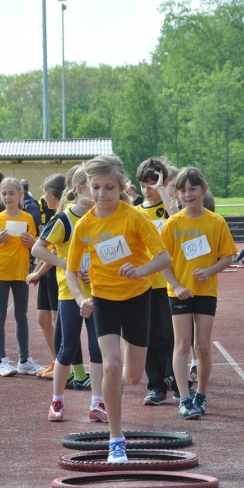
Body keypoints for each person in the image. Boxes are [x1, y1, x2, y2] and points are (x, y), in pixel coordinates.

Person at [66, 154, 171, 464]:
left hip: (138, 297)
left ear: (121, 187)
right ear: (85, 188)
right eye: (96, 188)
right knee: (111, 366)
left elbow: (163, 258)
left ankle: (115, 388)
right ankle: (116, 439)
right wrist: (80, 298)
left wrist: (140, 271)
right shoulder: (85, 225)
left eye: (109, 188)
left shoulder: (133, 217)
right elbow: (72, 270)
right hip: (104, 300)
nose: (102, 195)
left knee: (133, 376)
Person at [161, 166, 237, 420]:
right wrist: (177, 286)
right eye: (182, 190)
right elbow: (162, 261)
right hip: (179, 292)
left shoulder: (216, 222)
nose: (188, 194)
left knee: (202, 346)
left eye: (193, 189)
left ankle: (201, 394)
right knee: (182, 344)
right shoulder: (172, 224)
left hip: (206, 291)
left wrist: (210, 270)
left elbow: (228, 256)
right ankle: (184, 397)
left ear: (203, 190)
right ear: (177, 195)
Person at [30, 167, 105, 422]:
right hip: (69, 294)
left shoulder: (102, 217)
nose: (98, 193)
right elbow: (38, 250)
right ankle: (57, 401)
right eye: (93, 186)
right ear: (79, 188)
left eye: (102, 187)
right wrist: (67, 265)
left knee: (97, 349)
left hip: (98, 293)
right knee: (68, 348)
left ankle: (97, 402)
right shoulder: (63, 220)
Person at [0, 177, 44, 377]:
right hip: (0, 272)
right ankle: (1, 361)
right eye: (4, 193)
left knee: (21, 316)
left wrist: (32, 241)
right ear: (0, 196)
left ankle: (24, 360)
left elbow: (36, 246)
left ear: (20, 194)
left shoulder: (27, 218)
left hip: (20, 272)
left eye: (12, 193)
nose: (8, 197)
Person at [135, 157, 179, 405]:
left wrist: (163, 189)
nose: (148, 189)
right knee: (149, 335)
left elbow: (176, 220)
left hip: (169, 282)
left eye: (153, 183)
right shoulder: (135, 211)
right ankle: (156, 386)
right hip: (144, 283)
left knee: (170, 334)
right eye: (144, 184)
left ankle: (176, 378)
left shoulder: (168, 207)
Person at [33, 174, 66, 380]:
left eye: (45, 193)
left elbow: (54, 253)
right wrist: (38, 271)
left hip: (55, 272)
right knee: (43, 319)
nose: (43, 198)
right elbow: (43, 248)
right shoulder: (53, 217)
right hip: (45, 272)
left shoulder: (63, 218)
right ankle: (56, 360)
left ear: (52, 194)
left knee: (57, 320)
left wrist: (38, 271)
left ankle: (64, 365)